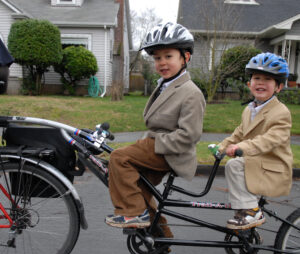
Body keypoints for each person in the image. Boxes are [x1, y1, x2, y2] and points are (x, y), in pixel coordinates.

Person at [105, 22, 206, 235]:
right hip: (157, 146)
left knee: (118, 158)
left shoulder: (191, 92)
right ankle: (161, 237)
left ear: (185, 57)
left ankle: (133, 214)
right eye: (158, 58)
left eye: (168, 56)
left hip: (171, 152)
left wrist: (154, 144)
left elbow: (190, 135)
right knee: (139, 190)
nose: (162, 62)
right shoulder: (164, 84)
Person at [218, 52, 293, 230]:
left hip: (273, 167)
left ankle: (252, 211)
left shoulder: (280, 112)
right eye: (256, 78)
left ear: (278, 87)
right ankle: (245, 214)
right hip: (257, 163)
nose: (260, 82)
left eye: (267, 79)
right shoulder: (250, 110)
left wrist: (240, 147)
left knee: (234, 165)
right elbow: (239, 133)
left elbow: (268, 140)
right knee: (234, 163)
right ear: (249, 84)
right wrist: (222, 147)